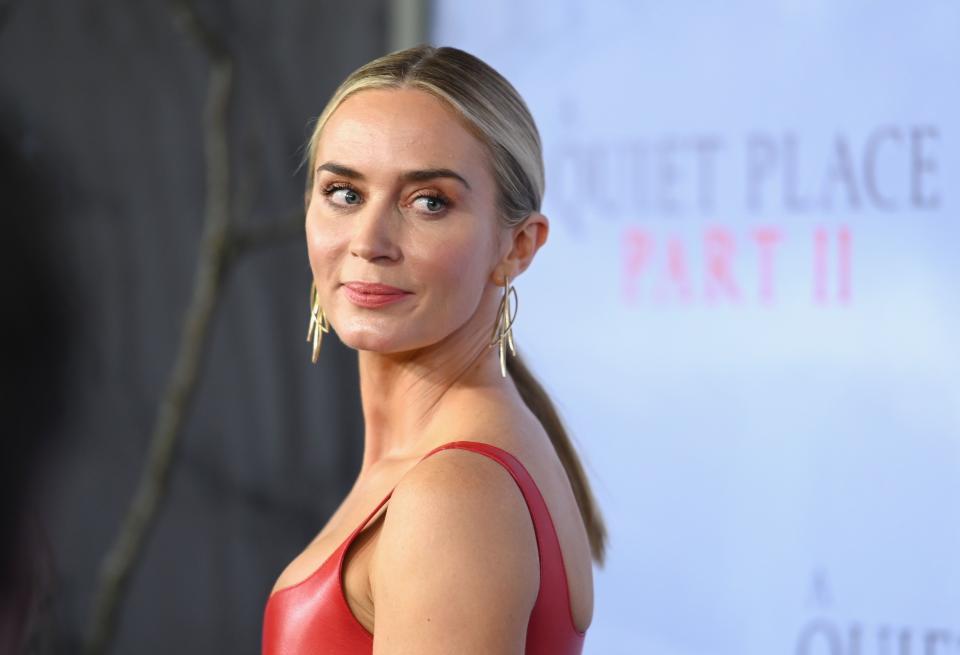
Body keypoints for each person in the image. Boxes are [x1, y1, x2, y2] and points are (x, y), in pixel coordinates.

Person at [262, 44, 607, 655]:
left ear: (518, 247)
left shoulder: (452, 496)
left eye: (429, 202)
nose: (369, 242)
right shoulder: (464, 460)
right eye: (344, 192)